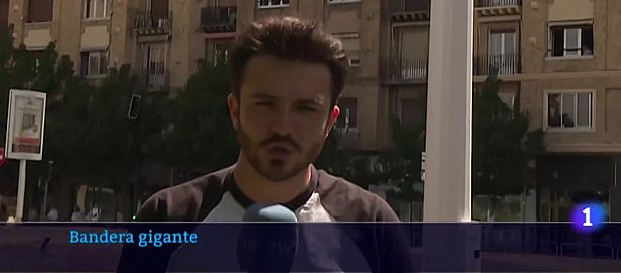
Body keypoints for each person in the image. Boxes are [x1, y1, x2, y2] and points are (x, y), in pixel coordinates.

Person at [127, 16, 414, 272]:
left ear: (330, 122)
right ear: (235, 111)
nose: (282, 127)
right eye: (265, 104)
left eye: (305, 109)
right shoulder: (165, 215)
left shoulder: (373, 225)